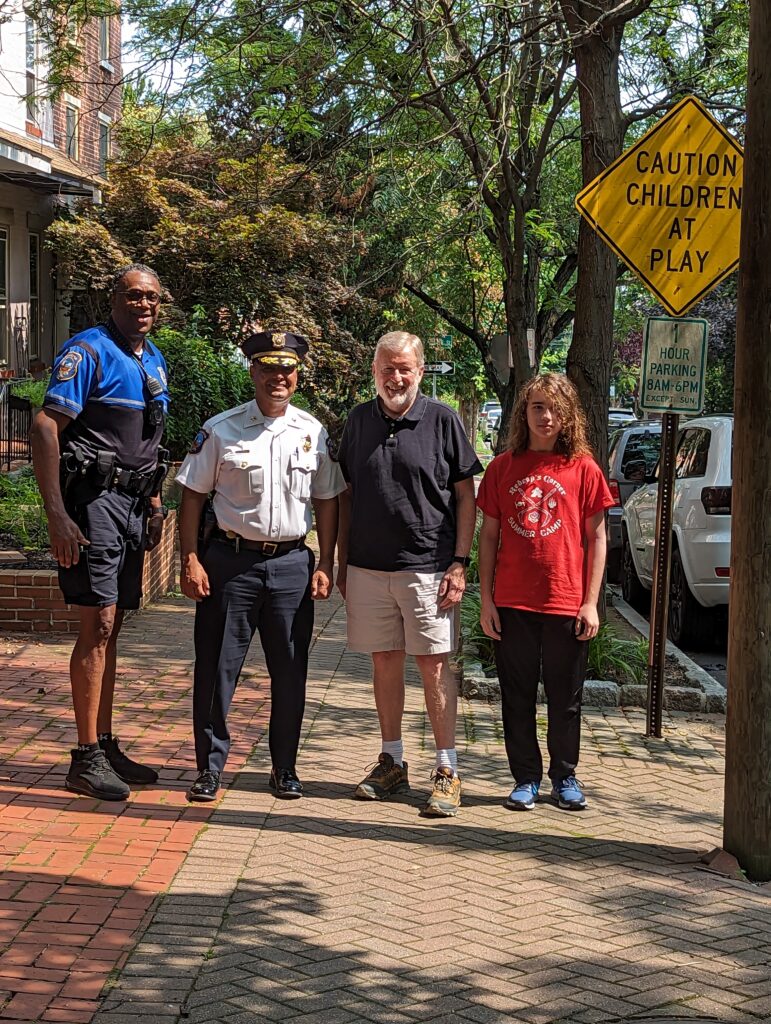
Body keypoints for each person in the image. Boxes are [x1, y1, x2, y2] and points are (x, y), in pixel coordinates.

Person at [176, 330, 345, 803]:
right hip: (230, 563)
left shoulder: (312, 432)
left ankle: (284, 767)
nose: (278, 377)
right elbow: (192, 496)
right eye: (269, 367)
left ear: (297, 376)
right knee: (216, 669)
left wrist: (325, 561)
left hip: (292, 564)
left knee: (291, 670)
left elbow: (328, 501)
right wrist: (189, 558)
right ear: (252, 371)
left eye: (287, 369)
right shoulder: (221, 429)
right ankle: (209, 769)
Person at [31, 264, 170, 801]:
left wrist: (155, 502)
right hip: (94, 504)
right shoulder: (87, 351)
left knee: (114, 628)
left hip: (133, 504)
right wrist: (57, 514)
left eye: (152, 298)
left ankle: (105, 743)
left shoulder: (151, 357)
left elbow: (149, 439)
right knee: (99, 622)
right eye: (134, 295)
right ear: (114, 298)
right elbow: (46, 426)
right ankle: (84, 757)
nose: (144, 305)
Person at [337, 331, 481, 817]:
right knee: (383, 661)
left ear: (421, 371)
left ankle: (447, 769)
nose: (395, 377)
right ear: (374, 372)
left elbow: (467, 496)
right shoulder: (358, 421)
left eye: (405, 368)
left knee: (435, 665)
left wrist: (460, 563)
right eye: (386, 368)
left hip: (430, 569)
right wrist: (340, 563)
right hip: (369, 568)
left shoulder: (442, 420)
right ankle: (392, 761)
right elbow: (346, 495)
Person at [476, 373, 614, 812]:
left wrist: (590, 602)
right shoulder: (502, 467)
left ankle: (565, 777)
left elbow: (597, 539)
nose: (545, 416)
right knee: (516, 696)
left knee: (565, 697)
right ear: (524, 412)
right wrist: (486, 600)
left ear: (569, 415)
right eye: (537, 407)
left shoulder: (583, 469)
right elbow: (488, 538)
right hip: (513, 602)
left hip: (566, 601)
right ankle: (526, 779)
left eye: (554, 408)